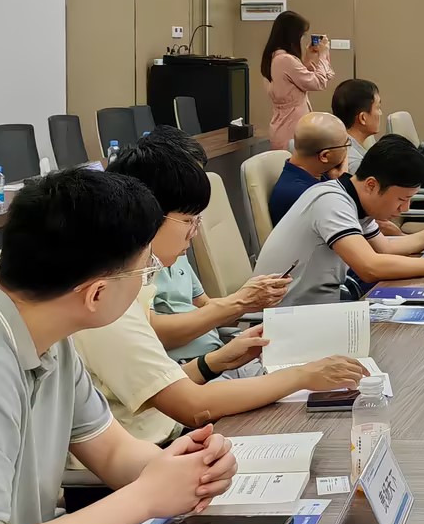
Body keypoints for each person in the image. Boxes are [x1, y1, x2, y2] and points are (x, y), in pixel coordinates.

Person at [0, 167, 238, 524]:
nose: (146, 283)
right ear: (97, 294)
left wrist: (182, 470)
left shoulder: (53, 337)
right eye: (144, 272)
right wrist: (145, 497)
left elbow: (111, 450)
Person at [73, 130, 368, 445]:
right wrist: (302, 376)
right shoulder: (107, 301)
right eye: (189, 220)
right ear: (150, 215)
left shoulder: (132, 283)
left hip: (172, 431)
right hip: (163, 442)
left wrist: (216, 361)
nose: (195, 233)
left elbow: (162, 389)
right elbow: (190, 406)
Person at [114, 128, 292, 363]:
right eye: (189, 219)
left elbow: (206, 306)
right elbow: (154, 333)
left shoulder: (175, 252)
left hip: (212, 357)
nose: (195, 229)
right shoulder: (132, 269)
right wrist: (239, 302)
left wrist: (246, 302)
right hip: (191, 365)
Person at [256, 134, 424, 304]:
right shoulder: (330, 202)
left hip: (322, 306)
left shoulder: (354, 198)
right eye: (402, 199)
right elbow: (370, 267)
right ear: (371, 184)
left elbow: (386, 248)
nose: (405, 208)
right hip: (289, 317)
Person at [260, 9, 333, 152]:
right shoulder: (285, 59)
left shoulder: (275, 57)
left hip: (285, 125)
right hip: (291, 128)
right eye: (301, 35)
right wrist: (323, 55)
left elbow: (297, 79)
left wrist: (308, 58)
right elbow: (318, 82)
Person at [269, 112, 350, 227]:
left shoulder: (317, 175)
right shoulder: (306, 196)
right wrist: (343, 183)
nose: (347, 150)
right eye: (346, 145)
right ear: (325, 156)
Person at [332, 78, 382, 169]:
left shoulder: (336, 145)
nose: (380, 113)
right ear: (363, 118)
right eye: (378, 108)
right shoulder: (356, 165)